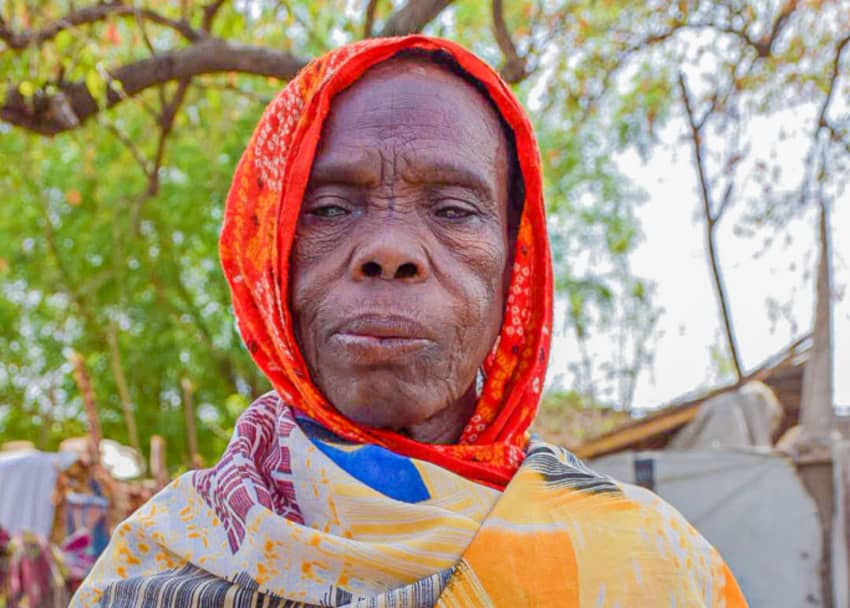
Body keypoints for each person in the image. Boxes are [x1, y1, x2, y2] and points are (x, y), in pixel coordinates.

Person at [72, 36, 747, 607]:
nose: (389, 250)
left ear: (515, 270)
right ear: (269, 259)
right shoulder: (150, 571)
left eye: (453, 211)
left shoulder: (649, 569)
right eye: (329, 209)